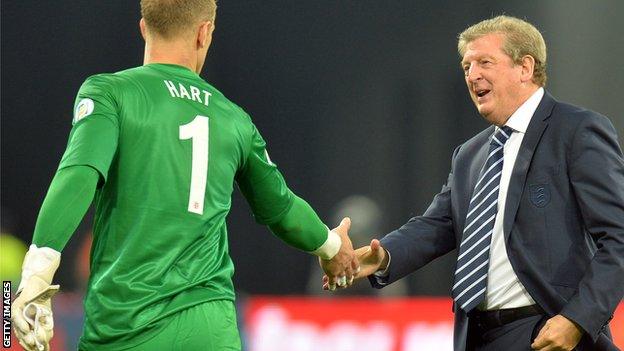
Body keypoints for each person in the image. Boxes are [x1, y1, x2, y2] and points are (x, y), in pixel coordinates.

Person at [11, 1, 359, 350]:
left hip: (127, 326)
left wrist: (37, 274)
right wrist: (331, 246)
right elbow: (282, 210)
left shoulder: (109, 94)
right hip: (211, 329)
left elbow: (79, 175)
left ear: (144, 27)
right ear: (204, 32)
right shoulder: (234, 119)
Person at [327, 15, 624, 351]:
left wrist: (577, 320)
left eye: (485, 62)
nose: (472, 75)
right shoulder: (470, 154)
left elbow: (619, 236)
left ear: (525, 67)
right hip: (474, 335)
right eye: (466, 66)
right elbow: (435, 226)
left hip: (547, 331)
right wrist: (381, 258)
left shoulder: (575, 131)